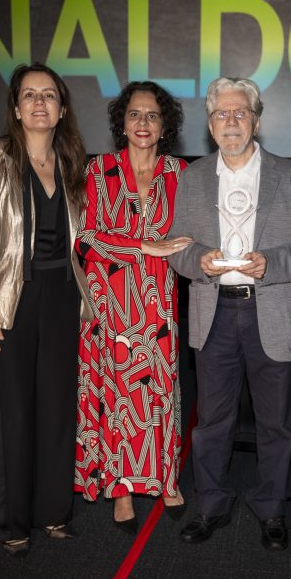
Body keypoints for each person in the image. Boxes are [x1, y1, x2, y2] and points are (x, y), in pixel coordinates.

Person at [166, 77, 291, 550]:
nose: (231, 121)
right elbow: (177, 249)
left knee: (274, 423)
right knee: (211, 422)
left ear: (256, 120)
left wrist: (272, 264)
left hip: (272, 312)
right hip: (214, 314)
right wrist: (196, 259)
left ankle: (271, 508)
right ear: (210, 124)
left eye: (241, 112)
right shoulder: (193, 178)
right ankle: (211, 505)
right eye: (222, 114)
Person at [0, 63, 93, 557]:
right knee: (11, 414)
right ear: (16, 108)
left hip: (62, 298)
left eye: (49, 95)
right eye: (29, 95)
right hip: (7, 299)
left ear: (61, 109)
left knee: (56, 410)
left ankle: (53, 513)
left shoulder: (71, 161)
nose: (39, 103)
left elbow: (89, 239)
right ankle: (10, 522)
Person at [74, 81, 193, 532]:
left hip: (158, 304)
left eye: (153, 116)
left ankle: (165, 476)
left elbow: (187, 238)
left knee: (161, 391)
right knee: (118, 395)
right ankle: (120, 488)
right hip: (111, 307)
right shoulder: (99, 169)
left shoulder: (180, 174)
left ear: (165, 126)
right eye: (134, 115)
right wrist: (146, 246)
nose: (143, 123)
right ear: (121, 123)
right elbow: (86, 237)